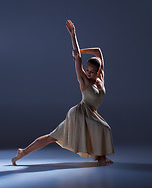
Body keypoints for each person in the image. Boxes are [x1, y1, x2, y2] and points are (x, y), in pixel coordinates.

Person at [12, 20, 114, 166]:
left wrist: (82, 51)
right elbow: (78, 60)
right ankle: (101, 157)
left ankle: (22, 152)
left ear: (98, 70)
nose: (88, 73)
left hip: (90, 114)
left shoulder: (101, 76)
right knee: (102, 128)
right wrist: (73, 35)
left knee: (51, 137)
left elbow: (98, 51)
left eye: (92, 71)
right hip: (79, 114)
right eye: (87, 70)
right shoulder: (84, 80)